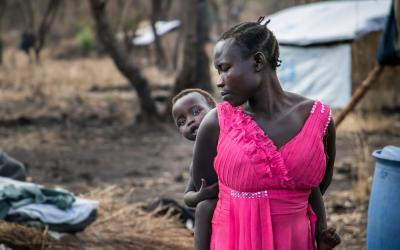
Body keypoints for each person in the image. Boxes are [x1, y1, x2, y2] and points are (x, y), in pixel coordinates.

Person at [191, 18, 341, 250]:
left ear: (258, 61)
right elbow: (200, 198)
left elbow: (317, 188)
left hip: (295, 242)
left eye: (225, 68)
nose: (219, 82)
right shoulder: (216, 123)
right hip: (232, 241)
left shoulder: (318, 119)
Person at [171, 88, 219, 250]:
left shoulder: (235, 140)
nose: (190, 121)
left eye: (196, 111)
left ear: (215, 108)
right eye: (181, 122)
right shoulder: (198, 162)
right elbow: (187, 197)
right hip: (218, 211)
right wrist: (201, 195)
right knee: (203, 208)